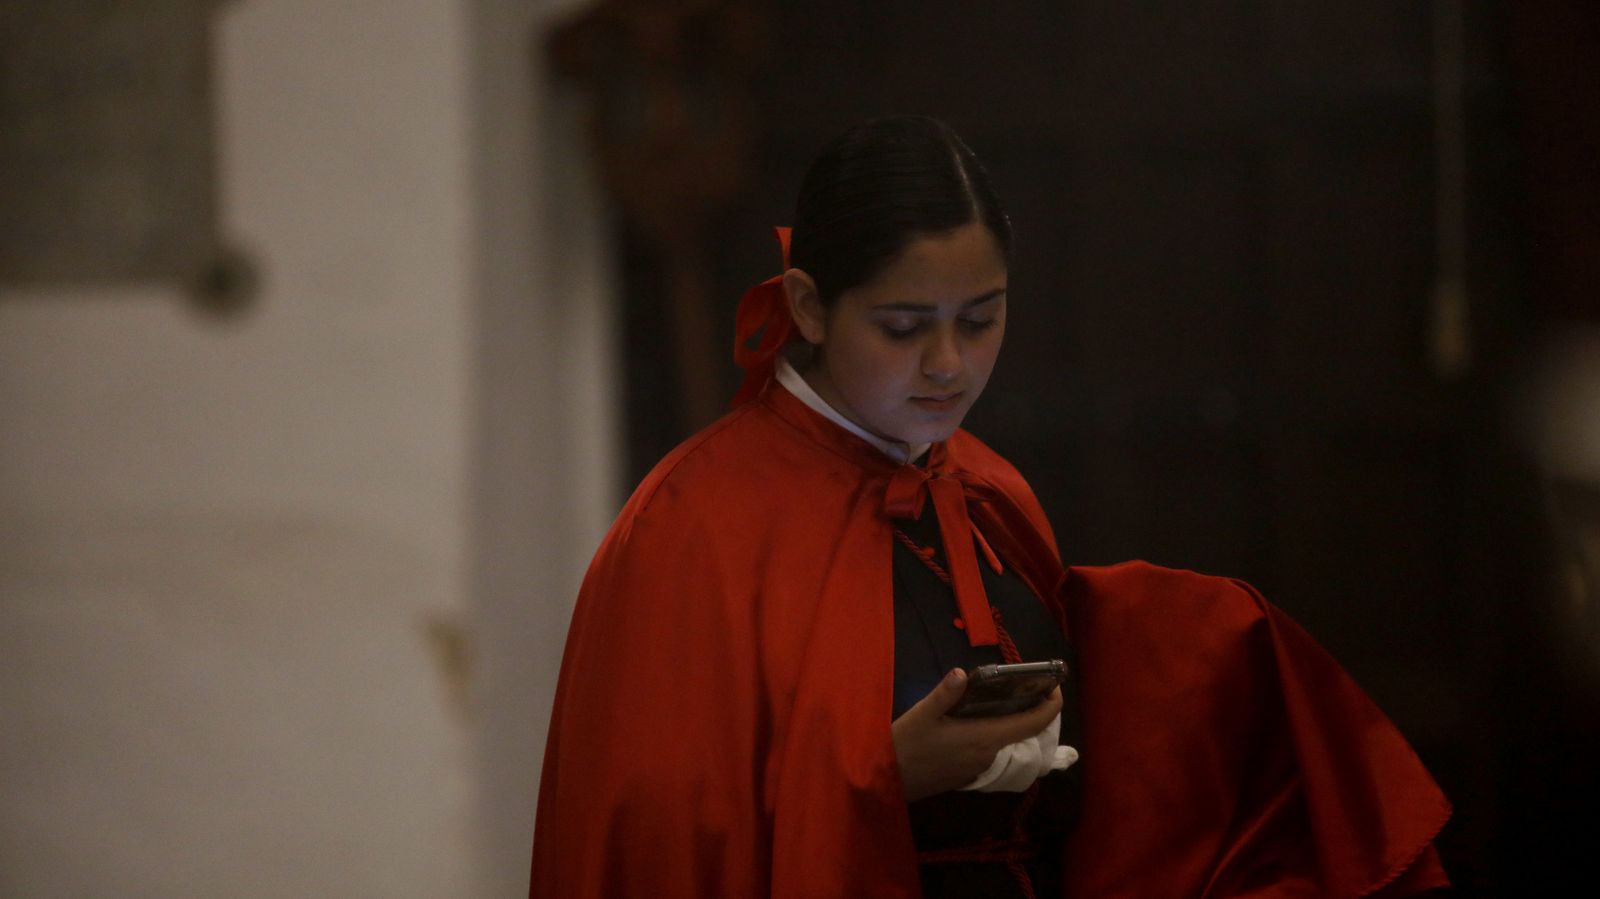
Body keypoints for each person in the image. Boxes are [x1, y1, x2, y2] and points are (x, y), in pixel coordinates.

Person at [529, 116, 1450, 898]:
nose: (949, 364)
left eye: (981, 317)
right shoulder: (689, 528)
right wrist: (881, 778)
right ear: (808, 306)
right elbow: (653, 849)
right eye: (903, 326)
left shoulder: (988, 486)